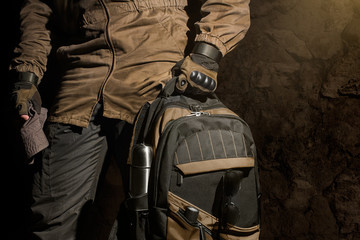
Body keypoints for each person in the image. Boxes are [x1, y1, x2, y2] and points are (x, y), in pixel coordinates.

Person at [9, 0, 251, 239]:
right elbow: (38, 6)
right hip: (81, 76)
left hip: (154, 68)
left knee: (158, 216)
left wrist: (206, 53)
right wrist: (27, 73)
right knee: (52, 217)